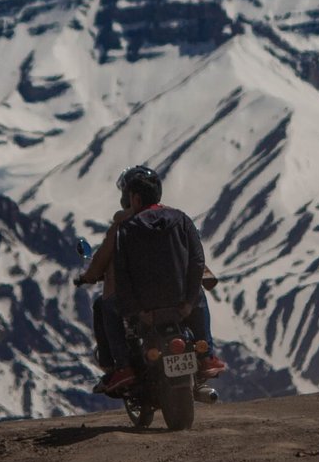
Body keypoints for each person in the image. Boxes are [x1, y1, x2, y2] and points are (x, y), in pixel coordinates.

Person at [76, 164, 225, 394]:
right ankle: (206, 356)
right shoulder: (181, 219)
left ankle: (122, 367)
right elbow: (197, 260)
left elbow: (122, 272)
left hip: (144, 307)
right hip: (179, 301)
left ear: (133, 198)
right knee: (200, 298)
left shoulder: (124, 228)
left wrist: (136, 309)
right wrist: (188, 300)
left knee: (106, 306)